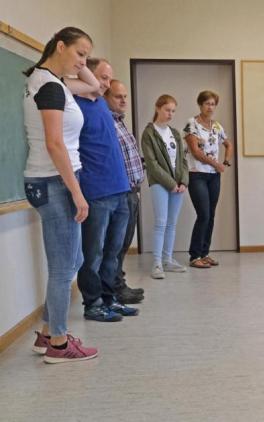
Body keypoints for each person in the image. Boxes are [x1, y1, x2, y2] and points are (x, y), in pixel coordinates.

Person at [24, 26, 98, 363]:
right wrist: (77, 192)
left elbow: (95, 86)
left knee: (73, 261)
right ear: (59, 46)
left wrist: (77, 61)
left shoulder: (53, 81)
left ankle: (46, 331)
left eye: (87, 56)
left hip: (55, 180)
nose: (83, 62)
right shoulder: (51, 87)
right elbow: (55, 144)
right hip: (55, 181)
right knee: (63, 267)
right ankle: (57, 342)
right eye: (79, 53)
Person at [71, 58, 138, 322]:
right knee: (94, 254)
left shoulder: (101, 104)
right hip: (96, 193)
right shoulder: (74, 106)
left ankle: (110, 299)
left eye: (109, 79)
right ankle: (93, 303)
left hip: (120, 189)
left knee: (113, 251)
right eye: (102, 77)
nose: (106, 84)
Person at [105, 79, 145, 304]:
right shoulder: (107, 123)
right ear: (105, 98)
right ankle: (114, 289)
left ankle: (119, 283)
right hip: (120, 192)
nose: (123, 100)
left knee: (124, 243)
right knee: (116, 245)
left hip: (132, 190)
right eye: (117, 96)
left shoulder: (119, 121)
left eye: (125, 96)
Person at [141, 95, 189, 279]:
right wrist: (170, 184)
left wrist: (183, 182)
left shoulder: (175, 133)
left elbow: (183, 160)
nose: (170, 114)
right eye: (167, 110)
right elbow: (152, 164)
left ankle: (168, 259)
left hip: (178, 185)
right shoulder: (149, 133)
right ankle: (157, 263)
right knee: (161, 222)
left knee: (172, 223)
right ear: (158, 108)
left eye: (173, 111)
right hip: (160, 183)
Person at [183, 90, 233, 269]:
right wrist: (216, 163)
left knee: (211, 215)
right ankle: (194, 255)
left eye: (213, 104)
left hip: (214, 176)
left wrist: (225, 162)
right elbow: (195, 152)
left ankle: (204, 253)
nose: (210, 107)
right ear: (200, 105)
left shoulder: (217, 126)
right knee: (203, 214)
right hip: (197, 174)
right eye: (207, 104)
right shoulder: (192, 124)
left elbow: (228, 144)